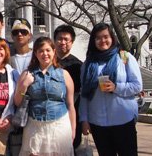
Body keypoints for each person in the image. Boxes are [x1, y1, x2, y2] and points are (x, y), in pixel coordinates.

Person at [79, 23, 142, 156]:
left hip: (123, 119)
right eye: (98, 38)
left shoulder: (124, 57)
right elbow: (84, 94)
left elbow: (137, 85)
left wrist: (116, 87)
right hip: (98, 123)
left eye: (106, 37)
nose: (102, 41)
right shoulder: (88, 63)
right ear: (93, 41)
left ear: (112, 38)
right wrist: (84, 119)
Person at [14, 37, 76, 156]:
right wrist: (24, 85)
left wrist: (73, 130)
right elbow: (17, 102)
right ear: (36, 54)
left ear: (53, 51)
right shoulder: (27, 74)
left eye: (48, 50)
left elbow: (70, 105)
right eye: (41, 51)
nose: (45, 54)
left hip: (60, 126)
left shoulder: (64, 74)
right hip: (35, 126)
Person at [54, 24, 83, 151]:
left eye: (67, 39)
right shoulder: (48, 62)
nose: (63, 42)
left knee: (72, 147)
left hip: (72, 113)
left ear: (72, 42)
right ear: (54, 40)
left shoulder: (79, 65)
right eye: (60, 39)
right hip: (52, 114)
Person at [8, 18, 33, 156]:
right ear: (11, 36)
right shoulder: (6, 57)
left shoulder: (38, 55)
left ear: (30, 35)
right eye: (16, 32)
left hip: (34, 111)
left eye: (23, 31)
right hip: (13, 110)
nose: (20, 35)